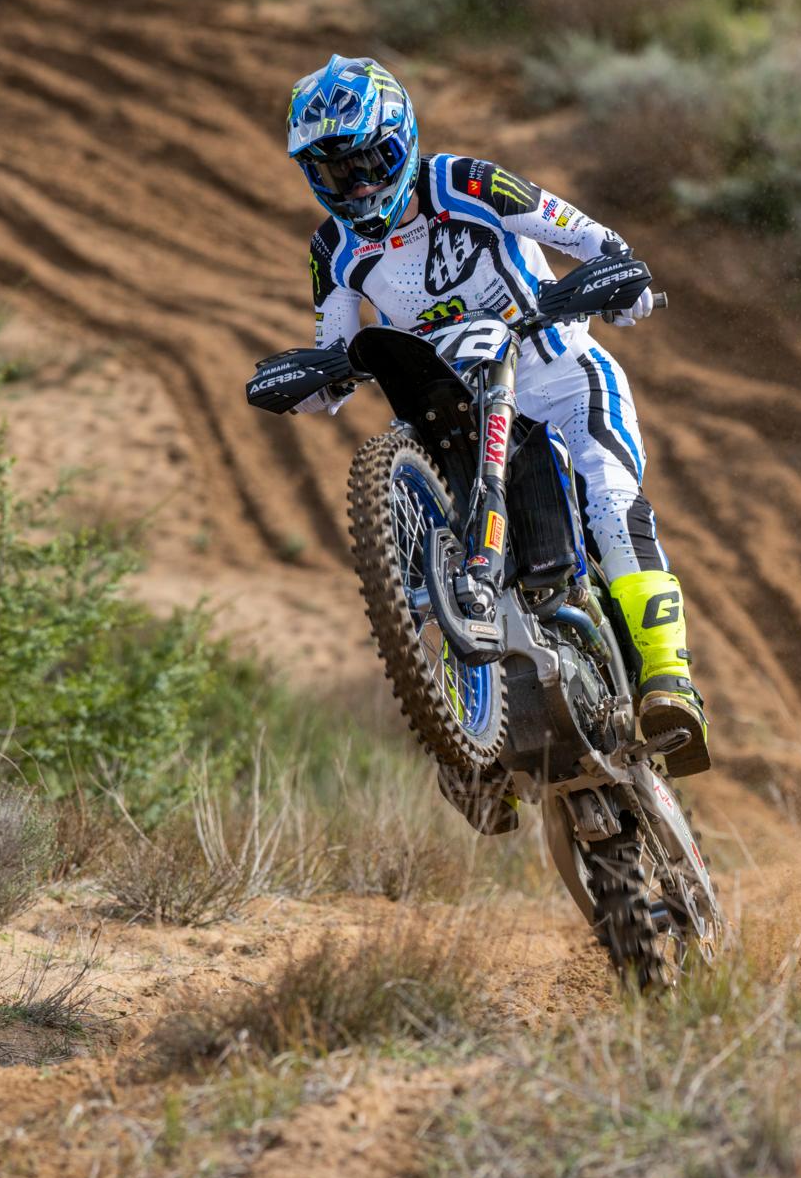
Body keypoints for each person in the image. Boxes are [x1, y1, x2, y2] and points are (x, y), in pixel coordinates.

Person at [286, 53, 711, 813]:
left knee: (611, 500)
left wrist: (621, 280)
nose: (357, 188)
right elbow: (335, 349)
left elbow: (587, 235)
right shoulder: (333, 251)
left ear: (401, 141)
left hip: (555, 372)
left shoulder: (466, 183)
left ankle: (668, 682)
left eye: (368, 164)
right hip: (455, 410)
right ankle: (466, 747)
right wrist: (315, 383)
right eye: (334, 175)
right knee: (411, 567)